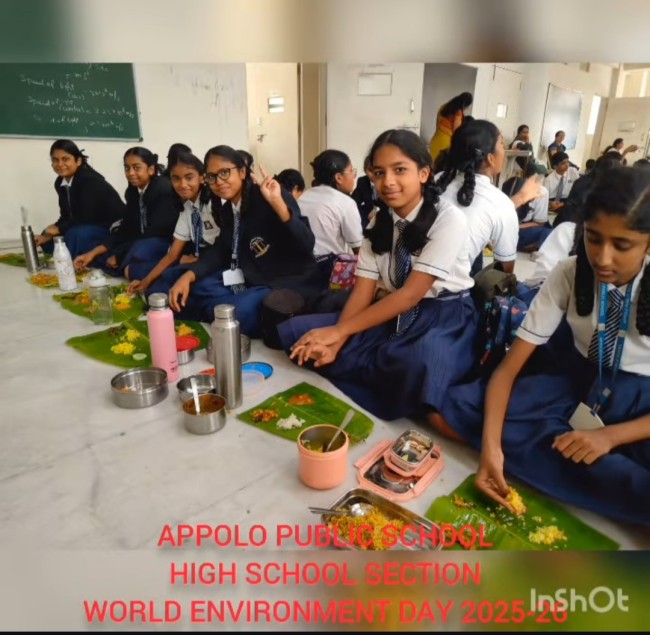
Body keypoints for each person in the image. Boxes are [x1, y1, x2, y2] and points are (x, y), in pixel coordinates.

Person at [433, 166, 650, 526]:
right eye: (593, 238)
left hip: (640, 402)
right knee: (459, 409)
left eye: (622, 245)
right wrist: (490, 451)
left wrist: (610, 437)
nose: (602, 258)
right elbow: (507, 372)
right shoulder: (569, 272)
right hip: (578, 383)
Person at [279, 129, 478, 422]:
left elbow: (410, 295)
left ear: (424, 173)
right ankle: (367, 369)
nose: (388, 182)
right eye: (379, 172)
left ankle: (398, 386)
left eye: (400, 170)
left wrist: (339, 332)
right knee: (299, 334)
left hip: (443, 315)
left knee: (412, 363)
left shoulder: (448, 219)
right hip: (391, 309)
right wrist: (336, 341)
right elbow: (363, 291)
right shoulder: (379, 221)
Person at [167, 145, 326, 336]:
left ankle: (217, 314)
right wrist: (189, 275)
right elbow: (220, 250)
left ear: (242, 172)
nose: (219, 181)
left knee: (237, 312)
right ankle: (215, 312)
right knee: (196, 287)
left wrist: (278, 204)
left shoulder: (269, 196)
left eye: (224, 172)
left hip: (288, 282)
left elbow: (307, 243)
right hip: (250, 279)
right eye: (212, 176)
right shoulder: (228, 210)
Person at [435, 119, 541, 276]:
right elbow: (503, 272)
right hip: (452, 287)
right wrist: (520, 198)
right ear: (490, 158)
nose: (504, 150)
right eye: (502, 144)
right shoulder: (499, 203)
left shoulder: (437, 181)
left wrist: (520, 198)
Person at [72, 147, 180, 275]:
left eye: (136, 168)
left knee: (140, 249)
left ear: (150, 169)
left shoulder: (163, 190)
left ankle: (129, 266)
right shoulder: (132, 191)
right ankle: (124, 265)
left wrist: (120, 254)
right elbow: (127, 228)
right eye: (127, 168)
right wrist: (92, 253)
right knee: (98, 249)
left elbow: (155, 232)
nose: (130, 173)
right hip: (139, 240)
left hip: (163, 242)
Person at [126, 152, 217, 295]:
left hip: (215, 263)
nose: (182, 185)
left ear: (202, 178)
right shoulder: (187, 208)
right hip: (194, 261)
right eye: (176, 179)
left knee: (171, 284)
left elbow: (226, 247)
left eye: (189, 177)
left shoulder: (214, 204)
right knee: (136, 273)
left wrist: (199, 260)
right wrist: (145, 282)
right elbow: (172, 255)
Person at [35, 139, 125, 259]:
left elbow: (87, 217)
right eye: (55, 160)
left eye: (65, 159)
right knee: (46, 234)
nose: (60, 164)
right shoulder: (60, 182)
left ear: (78, 161)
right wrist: (49, 233)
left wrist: (59, 229)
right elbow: (66, 215)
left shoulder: (89, 180)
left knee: (75, 234)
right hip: (86, 224)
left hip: (111, 227)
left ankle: (78, 259)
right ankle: (66, 255)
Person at [297, 150, 364, 284]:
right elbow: (359, 250)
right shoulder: (345, 203)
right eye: (351, 172)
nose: (353, 177)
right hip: (327, 274)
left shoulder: (303, 197)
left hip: (298, 270)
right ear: (338, 177)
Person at [501, 176, 552, 254]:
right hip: (505, 231)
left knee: (549, 232)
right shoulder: (509, 198)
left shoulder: (539, 193)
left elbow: (539, 223)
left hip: (518, 229)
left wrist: (517, 227)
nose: (534, 197)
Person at [429, 91, 473, 170]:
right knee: (441, 171)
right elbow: (457, 132)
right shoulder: (458, 114)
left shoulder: (443, 107)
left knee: (432, 170)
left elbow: (437, 124)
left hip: (435, 141)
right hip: (446, 145)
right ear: (465, 105)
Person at [351, 156, 387, 230]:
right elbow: (354, 201)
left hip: (385, 211)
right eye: (371, 170)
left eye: (378, 170)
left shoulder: (387, 181)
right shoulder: (362, 181)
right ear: (365, 171)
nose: (375, 173)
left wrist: (377, 210)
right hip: (368, 212)